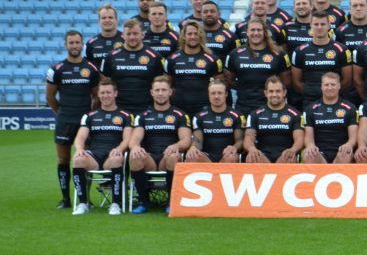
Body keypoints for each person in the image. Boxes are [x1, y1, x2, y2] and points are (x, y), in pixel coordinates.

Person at [46, 30, 100, 208]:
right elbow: (50, 97)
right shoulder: (57, 69)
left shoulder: (91, 68)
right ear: (65, 45)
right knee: (63, 160)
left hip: (84, 123)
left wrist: (89, 115)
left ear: (82, 44)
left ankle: (85, 199)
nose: (74, 46)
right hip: (65, 121)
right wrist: (61, 112)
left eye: (77, 42)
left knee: (84, 160)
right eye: (71, 43)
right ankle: (66, 199)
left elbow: (96, 96)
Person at [129, 76, 192, 213]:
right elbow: (135, 139)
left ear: (170, 92)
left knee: (173, 156)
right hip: (150, 158)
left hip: (167, 157)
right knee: (135, 156)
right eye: (157, 90)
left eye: (164, 90)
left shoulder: (180, 115)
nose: (160, 93)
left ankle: (171, 202)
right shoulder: (143, 115)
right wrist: (135, 147)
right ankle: (143, 202)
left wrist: (176, 146)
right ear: (151, 92)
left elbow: (186, 140)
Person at [71, 78, 132, 215]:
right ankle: (83, 203)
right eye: (102, 93)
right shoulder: (90, 116)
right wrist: (80, 149)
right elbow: (80, 137)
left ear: (115, 93)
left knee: (117, 159)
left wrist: (119, 149)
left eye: (108, 92)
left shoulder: (125, 115)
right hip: (94, 156)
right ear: (98, 95)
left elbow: (127, 139)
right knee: (78, 160)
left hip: (112, 156)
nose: (106, 96)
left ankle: (116, 204)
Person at [225, 17, 292, 113]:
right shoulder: (235, 54)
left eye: (259, 30)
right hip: (243, 107)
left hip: (270, 107)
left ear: (265, 32)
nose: (256, 33)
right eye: (252, 30)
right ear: (247, 32)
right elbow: (228, 80)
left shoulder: (279, 54)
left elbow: (287, 82)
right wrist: (243, 87)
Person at [101, 18, 164, 115]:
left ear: (142, 34)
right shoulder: (110, 57)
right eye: (128, 34)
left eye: (135, 33)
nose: (132, 37)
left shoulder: (155, 56)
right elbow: (104, 82)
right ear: (122, 35)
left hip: (147, 108)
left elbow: (161, 82)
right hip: (118, 108)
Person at [291, 10, 351, 108]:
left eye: (323, 24)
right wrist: (310, 92)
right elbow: (296, 82)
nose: (319, 27)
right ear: (311, 25)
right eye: (316, 24)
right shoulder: (300, 51)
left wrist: (331, 93)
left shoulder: (341, 50)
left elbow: (347, 80)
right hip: (309, 101)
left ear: (329, 26)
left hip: (335, 101)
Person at [164, 20, 222, 114]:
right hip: (178, 109)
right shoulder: (171, 59)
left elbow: (219, 86)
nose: (193, 37)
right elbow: (167, 85)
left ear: (201, 36)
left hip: (204, 109)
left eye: (196, 34)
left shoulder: (212, 60)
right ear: (184, 36)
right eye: (189, 34)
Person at [243, 76, 303, 163]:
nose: (274, 94)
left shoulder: (295, 114)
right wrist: (252, 149)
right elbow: (248, 138)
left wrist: (292, 149)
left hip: (285, 154)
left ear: (284, 93)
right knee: (252, 157)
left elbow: (299, 139)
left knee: (289, 158)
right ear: (265, 93)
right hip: (262, 155)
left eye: (278, 91)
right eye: (271, 91)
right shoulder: (255, 114)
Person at [301, 72, 358, 165]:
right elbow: (308, 137)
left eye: (333, 85)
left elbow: (353, 138)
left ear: (339, 86)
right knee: (309, 154)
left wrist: (348, 145)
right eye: (326, 85)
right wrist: (310, 145)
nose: (330, 88)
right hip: (319, 152)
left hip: (341, 150)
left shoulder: (350, 108)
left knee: (345, 155)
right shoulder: (310, 109)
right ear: (321, 87)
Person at [186, 78, 242, 164]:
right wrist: (193, 147)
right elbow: (198, 141)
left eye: (219, 93)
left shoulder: (237, 116)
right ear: (208, 95)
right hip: (207, 157)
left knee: (231, 157)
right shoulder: (199, 117)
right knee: (192, 156)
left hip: (227, 155)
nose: (216, 96)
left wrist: (234, 147)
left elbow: (240, 140)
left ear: (226, 94)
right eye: (213, 93)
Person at [85, 3, 123, 70]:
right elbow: (88, 67)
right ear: (99, 21)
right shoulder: (91, 44)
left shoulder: (126, 40)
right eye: (104, 18)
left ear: (116, 20)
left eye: (110, 17)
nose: (107, 20)